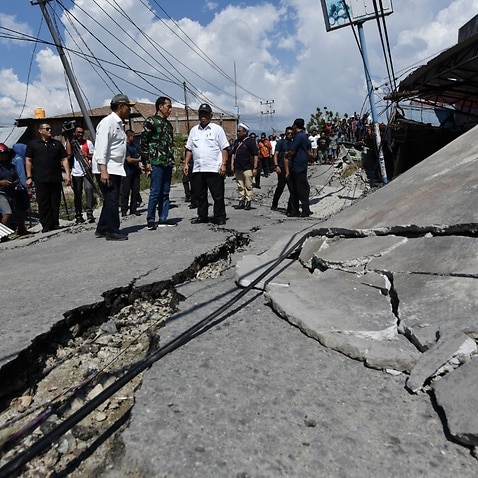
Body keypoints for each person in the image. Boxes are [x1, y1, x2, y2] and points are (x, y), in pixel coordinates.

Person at [92, 93, 134, 241]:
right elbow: (101, 148)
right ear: (120, 107)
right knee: (112, 199)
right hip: (107, 169)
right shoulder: (107, 123)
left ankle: (102, 228)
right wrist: (103, 170)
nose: (130, 110)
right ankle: (112, 231)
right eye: (128, 107)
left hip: (115, 168)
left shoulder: (119, 124)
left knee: (110, 199)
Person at [184, 103, 229, 225]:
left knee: (217, 195)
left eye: (205, 114)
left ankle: (219, 216)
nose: (203, 116)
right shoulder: (194, 131)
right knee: (200, 195)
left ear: (211, 115)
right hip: (198, 169)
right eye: (201, 114)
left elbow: (224, 148)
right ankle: (202, 215)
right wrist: (186, 163)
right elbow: (189, 149)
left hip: (214, 168)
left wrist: (223, 164)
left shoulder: (217, 129)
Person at [25, 123, 71, 233]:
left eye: (50, 128)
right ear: (40, 131)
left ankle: (55, 223)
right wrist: (29, 176)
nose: (50, 130)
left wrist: (68, 175)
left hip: (55, 176)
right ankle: (46, 225)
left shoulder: (57, 144)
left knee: (55, 200)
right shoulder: (33, 144)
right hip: (40, 177)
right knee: (43, 201)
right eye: (47, 129)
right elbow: (28, 160)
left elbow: (64, 159)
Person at [141, 96, 176, 230]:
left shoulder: (168, 125)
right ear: (160, 107)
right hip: (155, 161)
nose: (170, 109)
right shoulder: (151, 121)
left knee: (165, 191)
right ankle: (150, 220)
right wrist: (146, 162)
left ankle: (163, 218)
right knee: (155, 191)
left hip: (167, 162)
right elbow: (144, 143)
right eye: (168, 106)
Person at [65, 125, 96, 224]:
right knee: (77, 193)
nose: (80, 134)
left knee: (89, 189)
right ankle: (78, 214)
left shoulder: (88, 143)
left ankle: (89, 212)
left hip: (87, 170)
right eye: (78, 132)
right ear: (74, 133)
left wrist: (87, 155)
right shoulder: (70, 143)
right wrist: (68, 138)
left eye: (82, 132)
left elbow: (94, 155)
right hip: (76, 172)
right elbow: (68, 153)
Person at [0, 143, 30, 236]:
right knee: (7, 213)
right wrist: (1, 182)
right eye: (2, 154)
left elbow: (17, 177)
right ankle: (2, 234)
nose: (4, 155)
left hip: (11, 192)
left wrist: (15, 183)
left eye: (6, 153)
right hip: (1, 193)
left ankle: (16, 231)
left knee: (18, 210)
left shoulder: (11, 166)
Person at [284, 118, 311, 218]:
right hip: (301, 164)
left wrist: (287, 153)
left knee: (299, 189)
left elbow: (292, 150)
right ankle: (294, 211)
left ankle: (304, 211)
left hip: (297, 166)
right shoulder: (304, 136)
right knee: (297, 189)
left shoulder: (299, 137)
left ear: (295, 126)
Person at [231, 122, 258, 211]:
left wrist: (255, 167)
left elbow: (255, 155)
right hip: (238, 167)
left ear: (245, 132)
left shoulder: (250, 142)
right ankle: (241, 201)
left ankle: (248, 201)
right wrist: (232, 164)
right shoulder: (236, 142)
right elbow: (233, 154)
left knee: (248, 185)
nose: (238, 133)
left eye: (239, 131)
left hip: (247, 168)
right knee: (240, 185)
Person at [271, 126, 294, 211]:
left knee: (292, 188)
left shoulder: (293, 143)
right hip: (281, 167)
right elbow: (275, 154)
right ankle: (274, 204)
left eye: (291, 133)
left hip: (291, 168)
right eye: (288, 133)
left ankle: (290, 207)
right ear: (285, 133)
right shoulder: (281, 142)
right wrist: (276, 166)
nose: (290, 135)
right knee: (280, 187)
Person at [121, 130, 143, 217]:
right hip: (127, 172)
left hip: (135, 171)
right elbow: (129, 160)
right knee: (125, 191)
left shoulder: (134, 146)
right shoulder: (125, 147)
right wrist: (139, 160)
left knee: (135, 190)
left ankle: (133, 209)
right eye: (133, 137)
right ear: (129, 137)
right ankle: (124, 210)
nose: (134, 138)